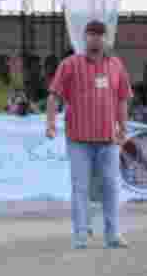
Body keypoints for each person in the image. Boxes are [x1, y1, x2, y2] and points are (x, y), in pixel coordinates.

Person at [47, 19, 132, 249]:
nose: (96, 38)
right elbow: (54, 95)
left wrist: (123, 127)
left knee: (111, 186)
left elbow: (123, 99)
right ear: (84, 37)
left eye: (100, 34)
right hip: (78, 139)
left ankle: (113, 234)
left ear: (106, 39)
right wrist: (51, 123)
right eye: (92, 34)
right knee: (80, 188)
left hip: (109, 139)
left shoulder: (116, 66)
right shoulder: (69, 65)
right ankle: (80, 236)